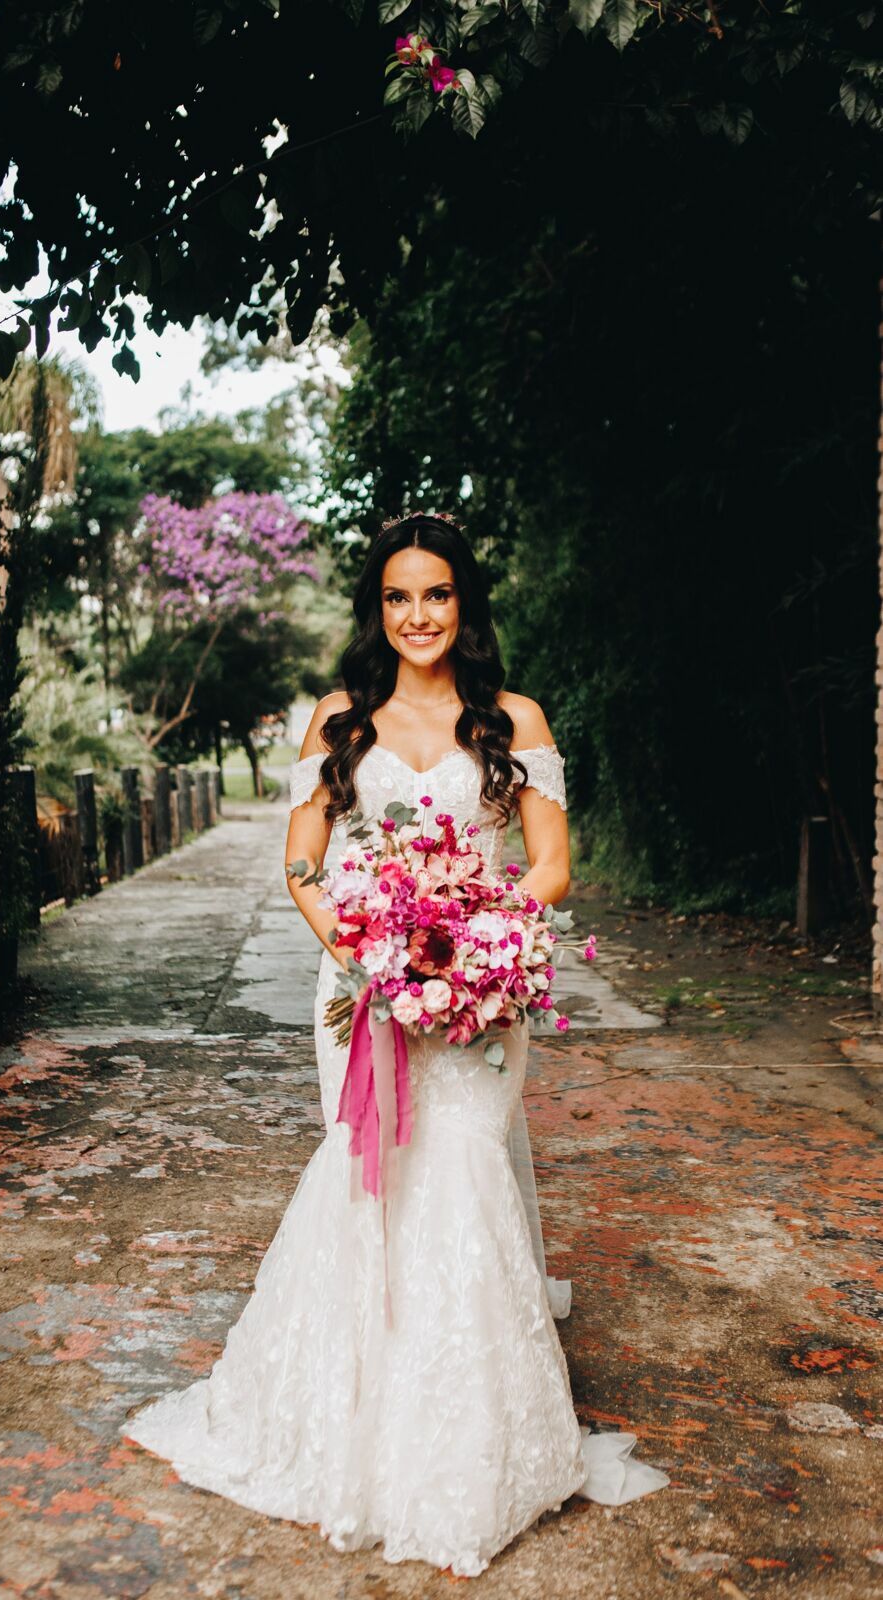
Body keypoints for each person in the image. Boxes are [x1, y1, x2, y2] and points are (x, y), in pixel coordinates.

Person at [121, 511, 667, 1576]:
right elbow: (302, 864)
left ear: (464, 605)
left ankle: (469, 1438)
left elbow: (550, 864)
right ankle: (356, 1419)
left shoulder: (512, 718)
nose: (417, 615)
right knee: (373, 1173)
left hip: (476, 991)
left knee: (461, 1168)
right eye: (396, 597)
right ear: (377, 611)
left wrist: (469, 940)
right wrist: (370, 953)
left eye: (436, 593)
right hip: (364, 993)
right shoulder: (339, 719)